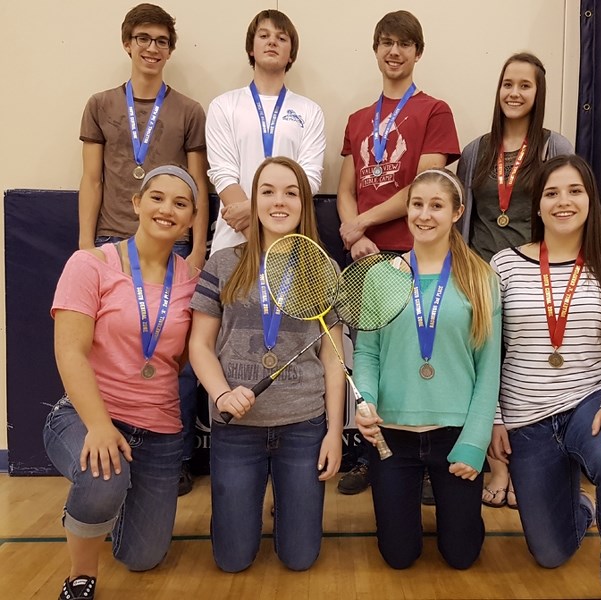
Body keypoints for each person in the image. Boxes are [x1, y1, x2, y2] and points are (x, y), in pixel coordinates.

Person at [489, 155, 601, 599]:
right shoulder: (504, 265)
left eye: (574, 191)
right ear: (536, 206)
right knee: (549, 552)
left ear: (590, 199)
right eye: (551, 193)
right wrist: (496, 417)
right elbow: (486, 351)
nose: (563, 202)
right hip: (526, 416)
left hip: (591, 401)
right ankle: (580, 506)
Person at [44, 166, 200, 600]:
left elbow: (183, 358)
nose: (167, 209)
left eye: (180, 203)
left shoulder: (193, 282)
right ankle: (81, 576)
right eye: (157, 198)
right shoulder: (89, 263)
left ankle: (101, 506)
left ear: (191, 220)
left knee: (142, 557)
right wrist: (98, 425)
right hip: (87, 416)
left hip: (160, 430)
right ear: (136, 204)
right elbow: (69, 351)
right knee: (103, 476)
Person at [78, 3, 210, 495]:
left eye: (161, 41)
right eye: (143, 38)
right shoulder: (100, 104)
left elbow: (197, 184)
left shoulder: (189, 111)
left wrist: (196, 250)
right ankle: (103, 442)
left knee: (171, 357)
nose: (152, 48)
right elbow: (91, 179)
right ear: (127, 44)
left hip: (171, 250)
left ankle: (170, 458)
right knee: (107, 357)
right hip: (114, 243)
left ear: (170, 50)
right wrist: (86, 247)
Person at [189, 156, 344, 572]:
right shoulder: (222, 263)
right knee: (232, 560)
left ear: (304, 203)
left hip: (303, 427)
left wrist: (333, 431)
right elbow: (199, 346)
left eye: (291, 193)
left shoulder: (323, 268)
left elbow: (333, 355)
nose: (280, 201)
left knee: (299, 559)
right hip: (236, 427)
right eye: (268, 191)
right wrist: (222, 393)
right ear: (253, 200)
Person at [337, 10, 460, 498]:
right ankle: (375, 456)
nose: (394, 51)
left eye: (404, 44)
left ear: (417, 52)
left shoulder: (434, 111)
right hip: (366, 257)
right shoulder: (357, 119)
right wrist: (354, 235)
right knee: (372, 363)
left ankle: (426, 460)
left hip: (416, 256)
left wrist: (362, 222)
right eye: (386, 43)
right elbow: (346, 187)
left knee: (418, 358)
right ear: (376, 50)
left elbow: (423, 185)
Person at [353, 169, 501, 570]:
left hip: (455, 435)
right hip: (392, 437)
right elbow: (367, 354)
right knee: (398, 557)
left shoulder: (482, 278)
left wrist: (475, 443)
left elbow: (489, 369)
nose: (425, 214)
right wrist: (365, 400)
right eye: (417, 204)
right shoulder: (380, 276)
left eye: (437, 205)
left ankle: (464, 523)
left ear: (457, 213)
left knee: (461, 557)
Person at [456, 52, 573, 509]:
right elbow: (464, 219)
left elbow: (568, 209)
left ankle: (531, 464)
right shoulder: (475, 151)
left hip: (535, 279)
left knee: (523, 371)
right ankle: (496, 465)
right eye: (508, 83)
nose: (515, 93)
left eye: (525, 85)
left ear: (538, 93)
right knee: (482, 372)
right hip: (481, 280)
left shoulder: (554, 148)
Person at [206, 9, 325, 255]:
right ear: (251, 48)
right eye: (264, 35)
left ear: (291, 54)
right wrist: (257, 236)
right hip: (234, 239)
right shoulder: (223, 105)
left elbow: (308, 178)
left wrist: (252, 212)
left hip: (289, 242)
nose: (272, 41)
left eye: (281, 38)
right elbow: (223, 174)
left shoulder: (309, 111)